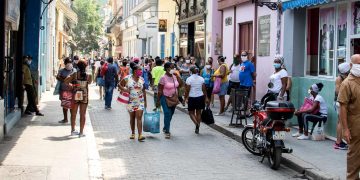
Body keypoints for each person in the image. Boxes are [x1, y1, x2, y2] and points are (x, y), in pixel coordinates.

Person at [338, 54, 360, 180]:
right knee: (354, 160)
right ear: (351, 65)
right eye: (358, 64)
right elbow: (343, 108)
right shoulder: (347, 83)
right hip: (354, 126)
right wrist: (345, 129)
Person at [119, 62, 147, 141]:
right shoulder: (127, 78)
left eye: (141, 70)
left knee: (139, 117)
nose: (141, 71)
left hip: (140, 101)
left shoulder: (142, 79)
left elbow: (144, 90)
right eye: (139, 70)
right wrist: (125, 89)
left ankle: (140, 135)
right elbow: (119, 84)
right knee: (132, 117)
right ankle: (133, 133)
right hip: (130, 101)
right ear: (135, 71)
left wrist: (145, 102)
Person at [64, 60, 92, 137]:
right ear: (86, 66)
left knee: (73, 113)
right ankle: (81, 132)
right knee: (83, 114)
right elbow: (89, 83)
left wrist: (72, 86)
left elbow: (65, 81)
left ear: (77, 66)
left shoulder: (74, 74)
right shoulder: (89, 75)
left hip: (75, 94)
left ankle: (73, 130)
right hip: (84, 95)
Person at [156, 62, 183, 139]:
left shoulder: (175, 76)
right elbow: (160, 90)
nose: (173, 69)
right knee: (167, 113)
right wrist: (158, 101)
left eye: (173, 67)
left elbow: (180, 85)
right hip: (164, 97)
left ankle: (165, 127)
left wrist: (178, 76)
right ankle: (167, 131)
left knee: (171, 114)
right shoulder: (163, 78)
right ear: (167, 69)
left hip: (174, 98)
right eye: (171, 67)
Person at [185, 66, 209, 134]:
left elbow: (187, 90)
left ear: (191, 71)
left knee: (191, 113)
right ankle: (197, 126)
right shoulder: (201, 78)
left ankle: (197, 125)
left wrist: (186, 98)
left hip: (192, 97)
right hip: (200, 97)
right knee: (198, 113)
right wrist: (206, 97)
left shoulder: (189, 79)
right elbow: (204, 89)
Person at [334, 62, 350, 150]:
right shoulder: (339, 79)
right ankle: (338, 142)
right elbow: (337, 91)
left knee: (340, 122)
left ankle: (339, 141)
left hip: (340, 102)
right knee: (340, 122)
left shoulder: (343, 78)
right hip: (339, 103)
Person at [57, 57, 76, 123]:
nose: (69, 64)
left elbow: (75, 80)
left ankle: (72, 119)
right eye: (68, 63)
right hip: (64, 90)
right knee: (65, 105)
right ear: (65, 64)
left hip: (72, 90)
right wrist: (65, 80)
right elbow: (58, 77)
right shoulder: (61, 70)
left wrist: (68, 80)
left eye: (70, 63)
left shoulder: (74, 70)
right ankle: (65, 119)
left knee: (72, 105)